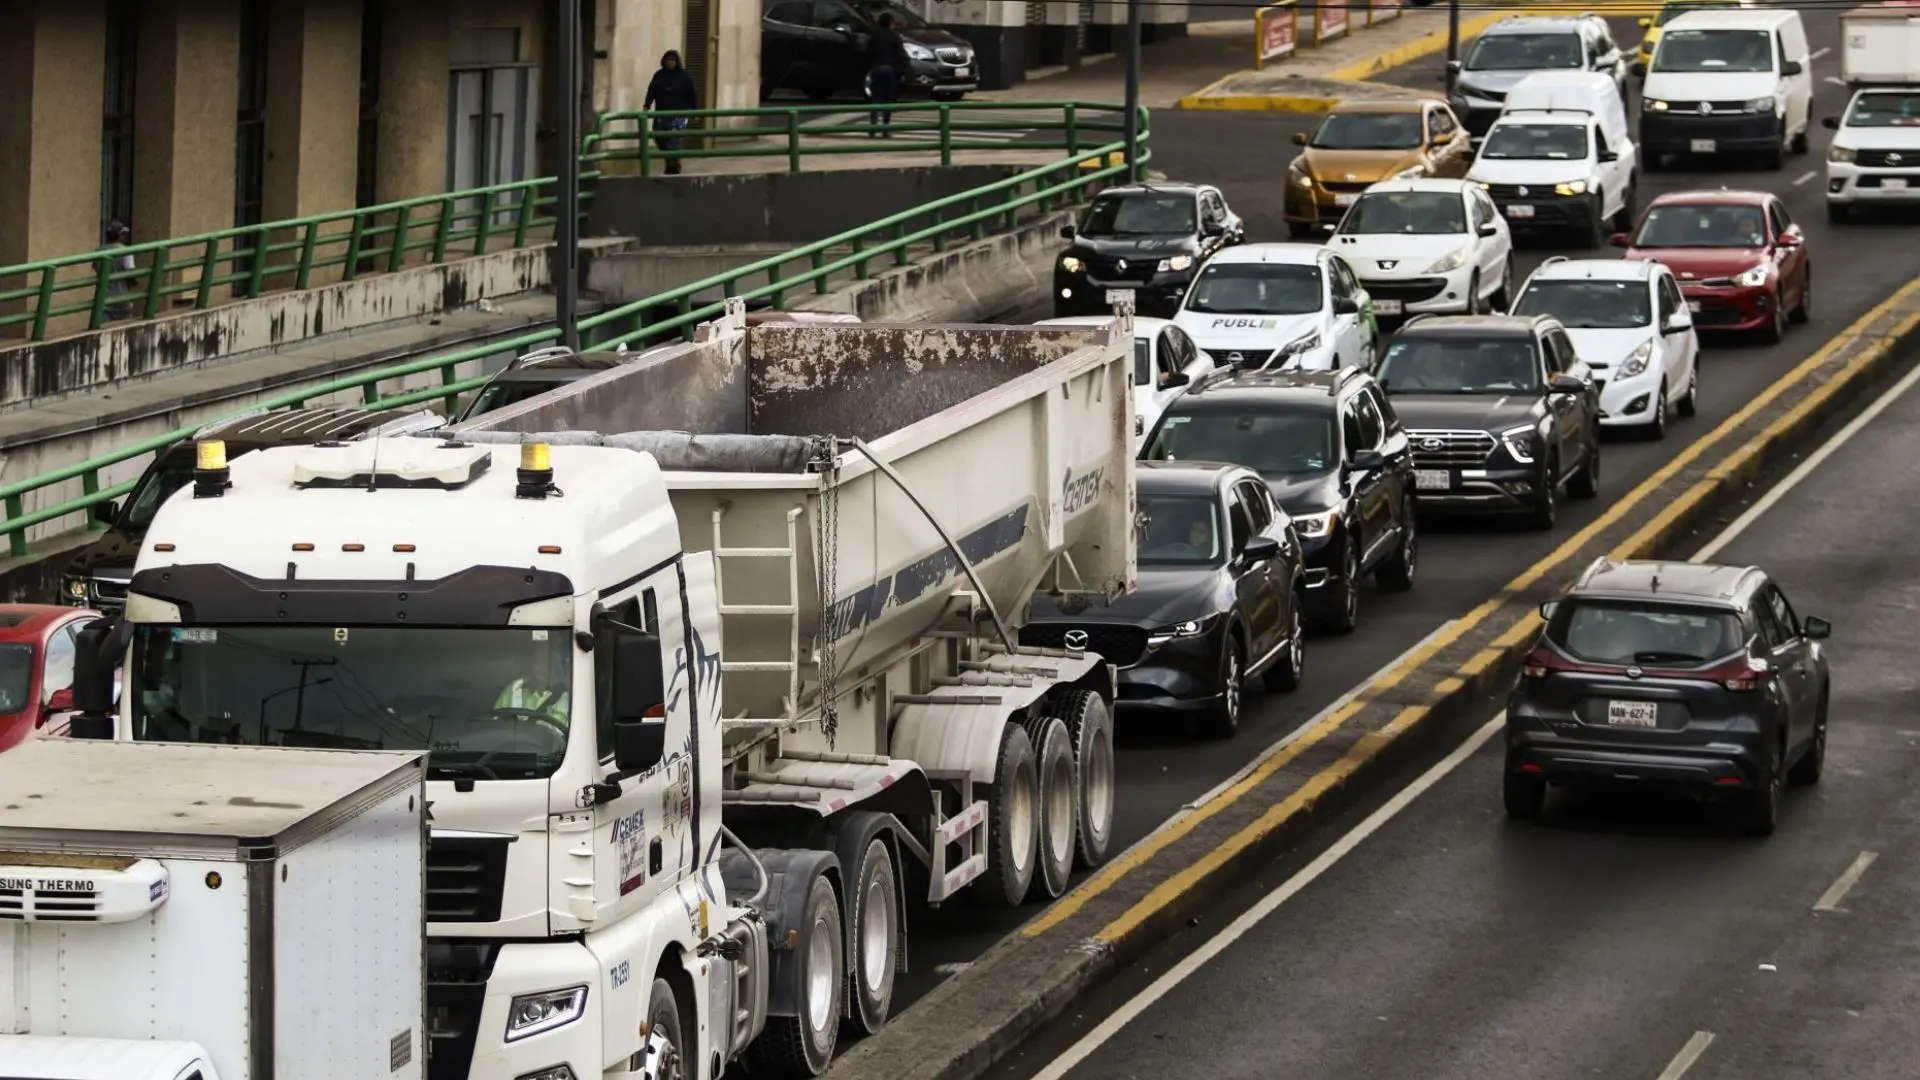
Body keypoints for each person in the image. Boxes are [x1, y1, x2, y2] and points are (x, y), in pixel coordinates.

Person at [644, 50, 699, 175]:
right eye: (668, 60)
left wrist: (694, 111)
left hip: (678, 115)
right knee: (659, 137)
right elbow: (651, 91)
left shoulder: (685, 77)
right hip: (661, 114)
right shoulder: (658, 76)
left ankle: (674, 165)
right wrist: (647, 105)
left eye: (672, 60)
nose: (670, 63)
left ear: (677, 62)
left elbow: (692, 95)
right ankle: (670, 162)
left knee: (674, 141)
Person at [864, 12, 912, 137]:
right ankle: (886, 127)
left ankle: (873, 125)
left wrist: (867, 69)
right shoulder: (895, 36)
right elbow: (901, 56)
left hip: (876, 68)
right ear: (891, 23)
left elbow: (868, 54)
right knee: (888, 99)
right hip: (890, 70)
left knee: (875, 97)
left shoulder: (874, 36)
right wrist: (903, 72)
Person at [495, 675, 570, 728]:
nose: (539, 666)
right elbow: (494, 726)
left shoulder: (570, 701)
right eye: (537, 660)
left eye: (545, 663)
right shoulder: (513, 688)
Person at [102, 220, 134, 320]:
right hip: (122, 299)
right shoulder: (126, 251)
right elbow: (131, 274)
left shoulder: (99, 251)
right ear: (120, 236)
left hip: (103, 299)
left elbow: (96, 268)